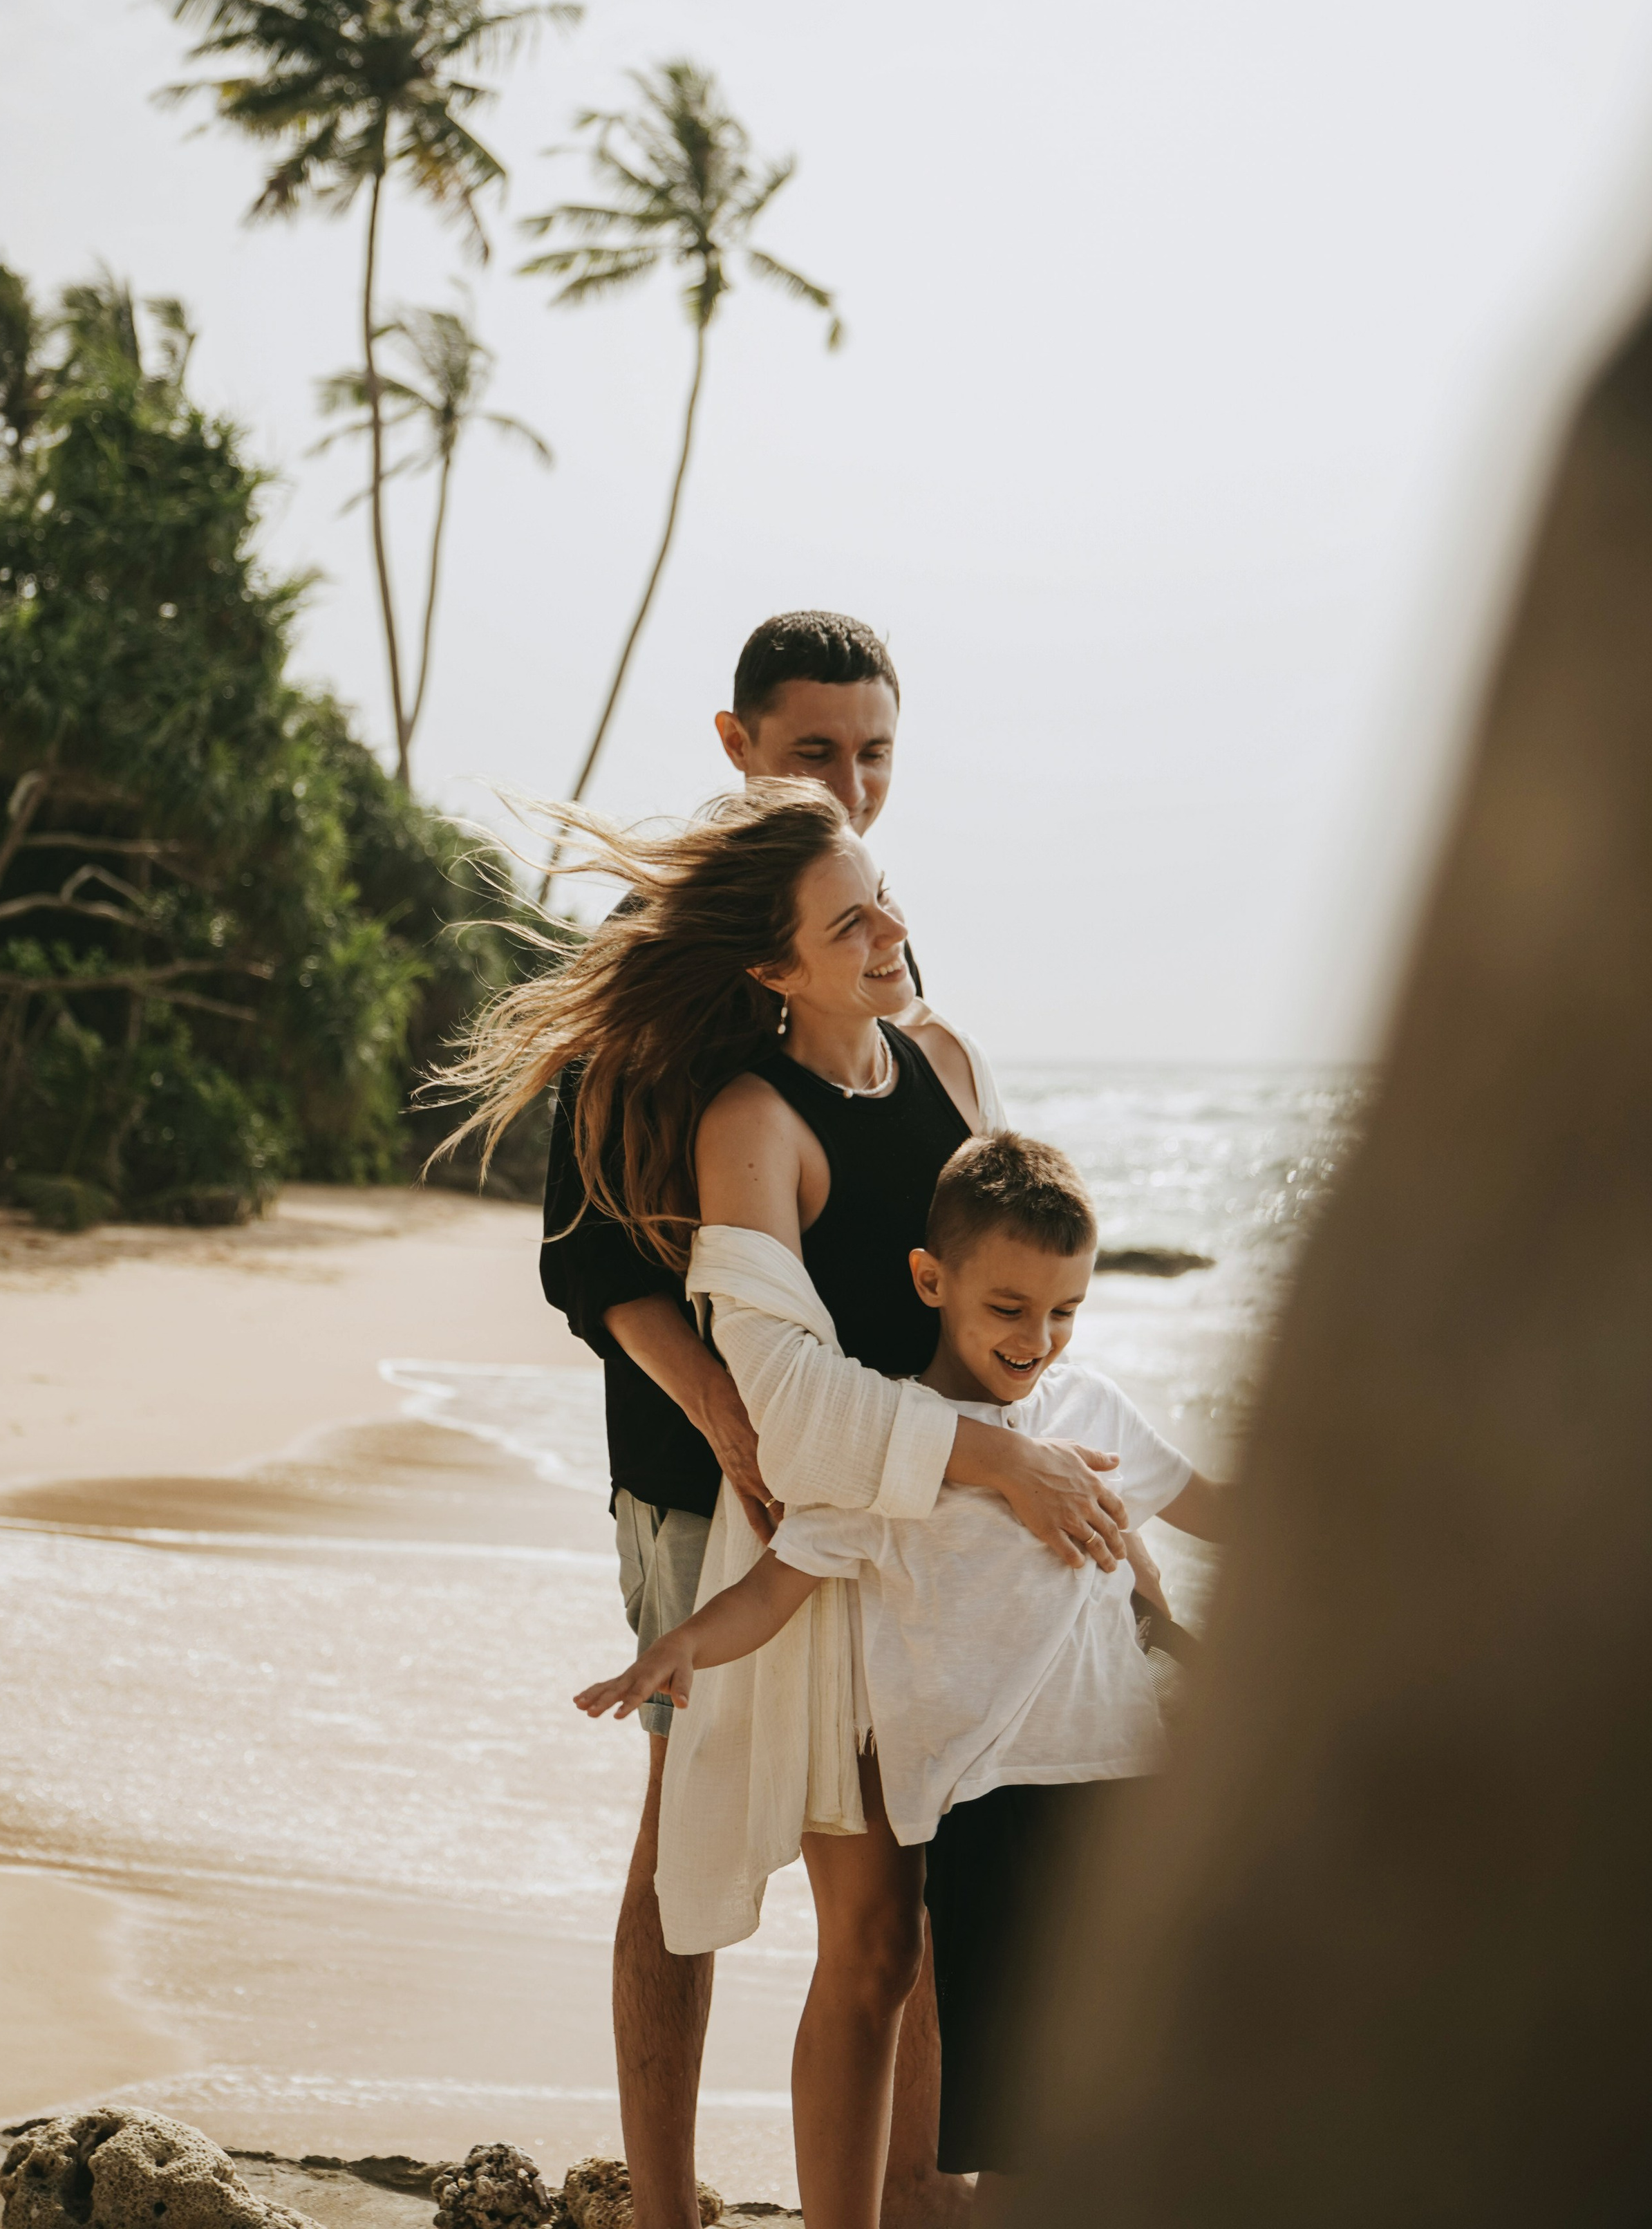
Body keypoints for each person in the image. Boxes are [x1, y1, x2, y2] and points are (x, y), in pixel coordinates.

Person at [444, 768, 1135, 2229]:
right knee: (875, 1946)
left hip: (970, 1573)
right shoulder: (751, 1123)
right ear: (771, 965)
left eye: (880, 896)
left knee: (984, 1937)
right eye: (848, 923)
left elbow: (1012, 1299)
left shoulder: (942, 1057)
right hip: (832, 1577)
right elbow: (793, 1413)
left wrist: (1066, 1464)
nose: (890, 929)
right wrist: (999, 1459)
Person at [575, 1131, 1232, 2222]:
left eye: (1065, 1311)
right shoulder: (894, 1450)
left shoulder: (1091, 1414)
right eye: (1010, 1308)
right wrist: (683, 1648)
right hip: (979, 1806)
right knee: (1015, 2094)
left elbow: (1208, 1509)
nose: (1040, 1340)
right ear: (933, 1281)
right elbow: (777, 1589)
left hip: (1125, 1782)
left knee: (1118, 2066)